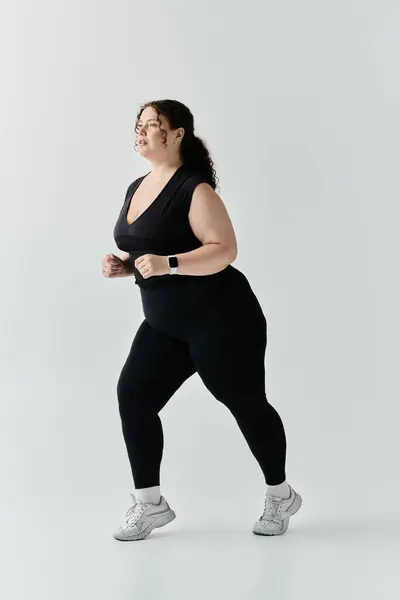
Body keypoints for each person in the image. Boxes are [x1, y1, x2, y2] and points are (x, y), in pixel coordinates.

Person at [103, 99, 302, 541]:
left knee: (244, 403)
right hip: (165, 323)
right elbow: (148, 251)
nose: (141, 131)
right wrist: (127, 266)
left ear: (177, 135)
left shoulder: (196, 189)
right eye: (138, 125)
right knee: (133, 395)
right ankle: (149, 503)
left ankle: (281, 494)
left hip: (222, 318)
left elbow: (223, 250)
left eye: (152, 125)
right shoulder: (137, 185)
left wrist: (169, 263)